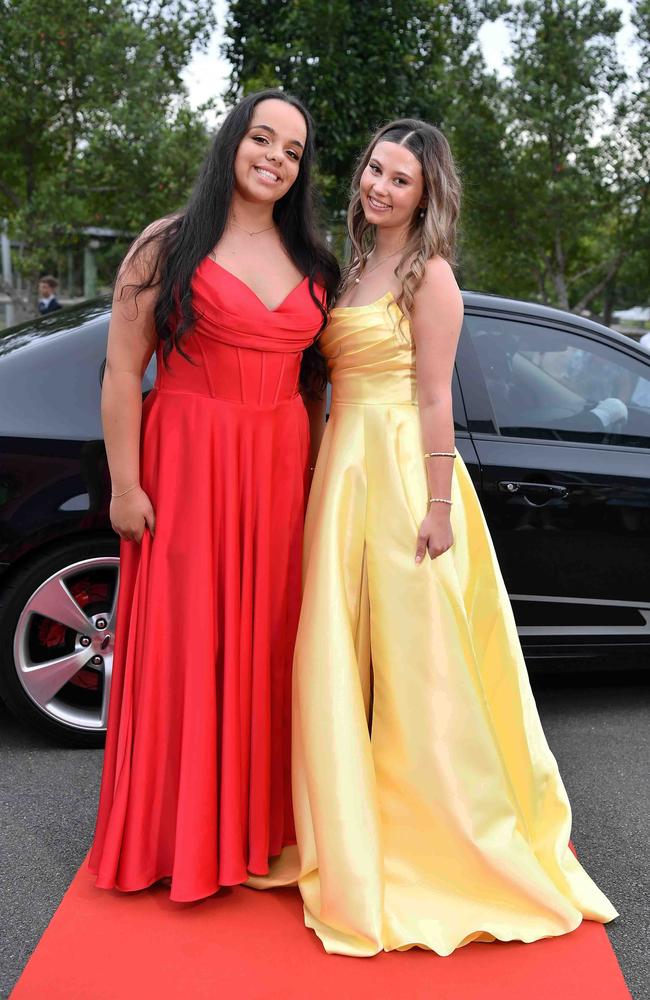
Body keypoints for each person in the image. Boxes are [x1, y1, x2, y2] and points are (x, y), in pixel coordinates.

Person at [290, 119, 618, 956]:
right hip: (344, 471)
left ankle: (432, 832)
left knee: (417, 665)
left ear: (426, 194)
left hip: (402, 474)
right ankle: (344, 819)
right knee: (341, 651)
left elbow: (437, 398)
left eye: (401, 180)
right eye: (374, 170)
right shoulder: (353, 266)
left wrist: (438, 505)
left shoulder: (429, 277)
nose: (380, 187)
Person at [88, 90, 339, 902]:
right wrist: (126, 485)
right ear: (233, 141)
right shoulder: (169, 244)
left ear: (301, 171)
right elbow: (124, 370)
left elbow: (318, 388)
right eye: (262, 138)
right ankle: (173, 840)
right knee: (186, 648)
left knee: (263, 650)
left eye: (293, 150)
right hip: (187, 467)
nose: (275, 157)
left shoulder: (315, 261)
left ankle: (251, 835)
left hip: (275, 475)